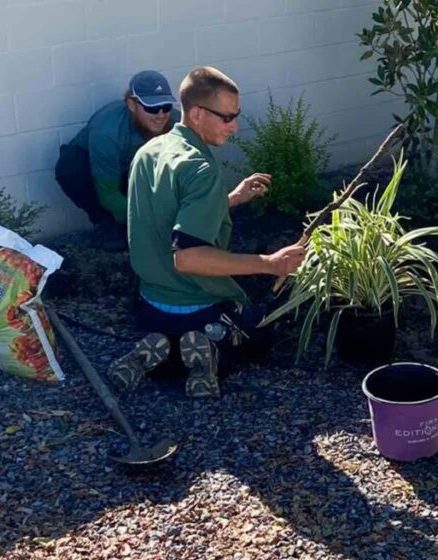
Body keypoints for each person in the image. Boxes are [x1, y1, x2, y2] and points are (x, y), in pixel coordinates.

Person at [109, 66, 306, 398]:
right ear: (198, 113)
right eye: (227, 117)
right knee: (260, 336)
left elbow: (166, 219)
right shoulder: (200, 169)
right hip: (198, 304)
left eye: (236, 116)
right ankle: (205, 352)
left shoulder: (150, 152)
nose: (235, 126)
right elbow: (188, 258)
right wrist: (270, 263)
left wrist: (229, 199)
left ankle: (159, 350)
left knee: (169, 337)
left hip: (150, 303)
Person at [54, 70, 180, 251]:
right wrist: (150, 218)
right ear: (131, 104)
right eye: (151, 107)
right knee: (70, 169)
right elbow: (108, 194)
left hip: (133, 170)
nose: (161, 114)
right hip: (97, 170)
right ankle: (107, 221)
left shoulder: (177, 126)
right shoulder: (106, 132)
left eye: (166, 106)